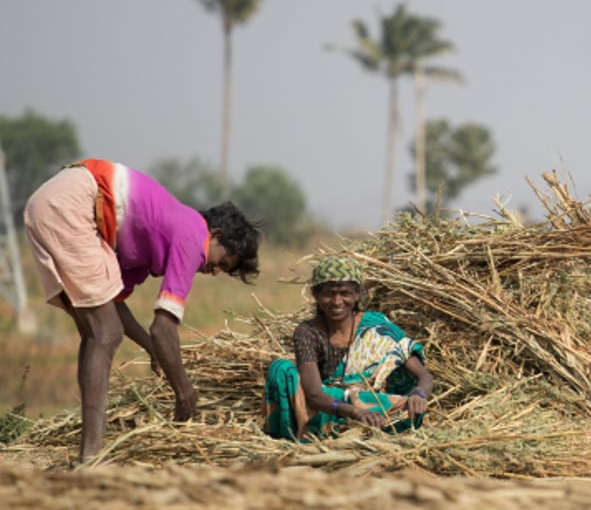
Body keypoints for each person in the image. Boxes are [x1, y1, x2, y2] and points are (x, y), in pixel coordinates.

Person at [23, 158, 262, 462]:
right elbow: (163, 328)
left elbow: (114, 304)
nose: (215, 271)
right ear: (214, 234)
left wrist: (152, 350)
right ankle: (91, 457)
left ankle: (89, 453)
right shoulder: (191, 235)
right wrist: (184, 391)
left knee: (97, 331)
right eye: (223, 261)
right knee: (104, 333)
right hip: (74, 203)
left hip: (55, 200)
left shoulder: (147, 250)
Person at [263, 256, 434, 441]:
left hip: (368, 403)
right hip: (327, 406)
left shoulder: (377, 327)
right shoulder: (308, 332)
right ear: (316, 295)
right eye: (329, 293)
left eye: (345, 293)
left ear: (357, 294)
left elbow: (424, 376)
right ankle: (302, 433)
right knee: (280, 369)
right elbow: (313, 394)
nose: (337, 301)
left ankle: (360, 429)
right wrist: (354, 412)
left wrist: (419, 394)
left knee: (405, 409)